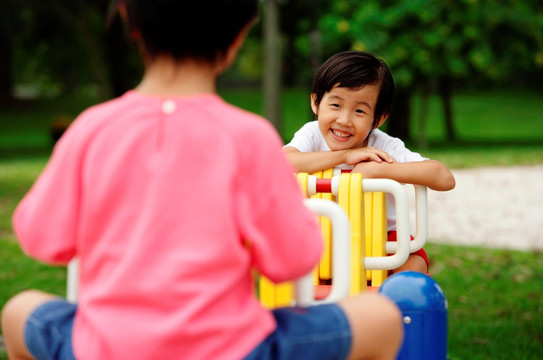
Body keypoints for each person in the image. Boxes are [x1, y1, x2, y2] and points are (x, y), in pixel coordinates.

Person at [1, 2, 404, 360]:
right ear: (239, 35)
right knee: (380, 316)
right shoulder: (249, 137)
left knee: (19, 311)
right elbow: (293, 260)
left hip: (103, 348)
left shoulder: (92, 129)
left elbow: (40, 238)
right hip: (235, 348)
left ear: (128, 18)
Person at [283, 51, 456, 274]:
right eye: (336, 105)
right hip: (321, 239)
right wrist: (344, 157)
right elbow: (282, 162)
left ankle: (404, 307)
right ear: (316, 102)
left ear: (379, 118)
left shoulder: (384, 146)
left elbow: (443, 177)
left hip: (382, 238)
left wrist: (380, 170)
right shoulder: (312, 135)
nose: (344, 120)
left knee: (413, 267)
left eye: (359, 111)